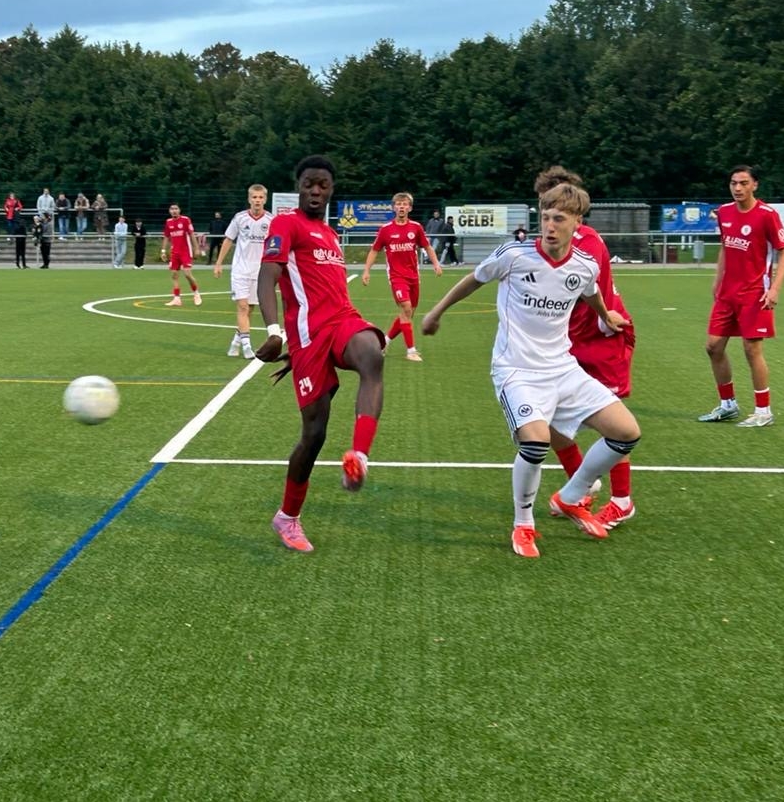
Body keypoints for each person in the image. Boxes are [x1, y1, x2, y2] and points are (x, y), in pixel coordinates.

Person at [421, 179, 638, 559]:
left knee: (626, 433)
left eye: (559, 219)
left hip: (563, 368)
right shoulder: (514, 255)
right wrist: (436, 312)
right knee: (535, 443)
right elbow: (474, 279)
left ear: (578, 222)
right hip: (516, 370)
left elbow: (590, 292)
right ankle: (523, 524)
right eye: (546, 217)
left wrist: (606, 315)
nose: (550, 226)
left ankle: (571, 495)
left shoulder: (585, 264)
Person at [256, 156, 388, 553]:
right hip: (308, 336)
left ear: (331, 189)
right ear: (298, 186)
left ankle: (359, 456)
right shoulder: (286, 224)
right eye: (309, 184)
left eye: (323, 185)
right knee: (313, 435)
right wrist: (275, 331)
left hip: (342, 321)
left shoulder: (330, 235)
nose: (316, 191)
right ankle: (287, 517)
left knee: (372, 354)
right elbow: (268, 274)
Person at [532, 167, 638, 529]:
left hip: (603, 339)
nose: (548, 218)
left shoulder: (587, 243)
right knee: (550, 421)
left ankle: (622, 501)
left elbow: (563, 284)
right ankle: (582, 486)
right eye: (543, 208)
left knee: (614, 425)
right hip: (570, 344)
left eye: (554, 209)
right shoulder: (555, 238)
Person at [698, 165, 784, 427]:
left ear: (755, 185)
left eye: (743, 183)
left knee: (752, 349)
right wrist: (717, 280)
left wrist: (775, 289)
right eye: (733, 183)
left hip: (755, 293)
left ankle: (763, 411)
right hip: (727, 294)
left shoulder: (767, 215)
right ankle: (728, 405)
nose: (737, 188)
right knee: (713, 347)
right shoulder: (725, 212)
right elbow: (725, 248)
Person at [360, 190, 442, 363]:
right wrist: (366, 270)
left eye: (405, 204)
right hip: (396, 277)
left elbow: (427, 247)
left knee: (408, 314)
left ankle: (384, 342)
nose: (401, 207)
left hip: (413, 277)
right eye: (398, 204)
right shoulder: (385, 230)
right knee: (406, 308)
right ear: (394, 208)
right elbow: (374, 250)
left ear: (410, 208)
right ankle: (411, 350)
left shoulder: (416, 227)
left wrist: (436, 263)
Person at [213, 185, 273, 358]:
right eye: (254, 197)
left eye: (260, 197)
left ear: (265, 199)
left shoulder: (271, 220)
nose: (257, 201)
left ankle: (236, 341)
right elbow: (228, 240)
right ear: (249, 199)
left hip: (259, 271)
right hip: (240, 269)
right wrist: (218, 263)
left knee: (249, 308)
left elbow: (275, 244)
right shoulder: (239, 218)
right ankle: (247, 346)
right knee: (242, 306)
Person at [161, 203, 201, 306]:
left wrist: (196, 248)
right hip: (175, 252)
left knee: (187, 274)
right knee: (174, 275)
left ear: (179, 210)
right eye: (172, 209)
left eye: (176, 208)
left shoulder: (185, 220)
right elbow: (166, 237)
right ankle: (177, 299)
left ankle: (196, 293)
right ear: (169, 211)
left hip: (185, 251)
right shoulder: (168, 222)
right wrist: (163, 251)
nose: (174, 211)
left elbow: (191, 234)